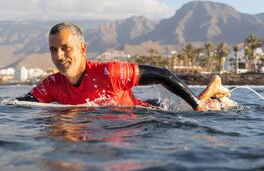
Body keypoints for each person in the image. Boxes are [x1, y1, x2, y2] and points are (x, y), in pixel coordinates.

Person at [17, 22, 235, 111]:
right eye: (53, 50)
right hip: (126, 107)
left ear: (82, 49)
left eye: (65, 48)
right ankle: (213, 87)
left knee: (206, 109)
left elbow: (162, 74)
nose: (59, 56)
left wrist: (197, 105)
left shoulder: (109, 72)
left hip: (146, 111)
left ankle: (213, 89)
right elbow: (20, 103)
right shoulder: (53, 84)